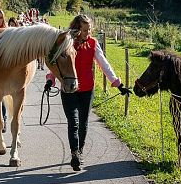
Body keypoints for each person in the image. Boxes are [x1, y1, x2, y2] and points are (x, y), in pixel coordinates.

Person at [45, 14, 131, 172]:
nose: (88, 32)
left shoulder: (93, 43)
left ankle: (79, 152)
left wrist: (118, 84)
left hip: (86, 89)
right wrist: (51, 80)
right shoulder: (66, 43)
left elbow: (104, 64)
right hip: (68, 89)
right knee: (74, 122)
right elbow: (57, 63)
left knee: (83, 123)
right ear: (77, 29)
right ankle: (74, 154)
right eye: (85, 30)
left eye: (89, 29)